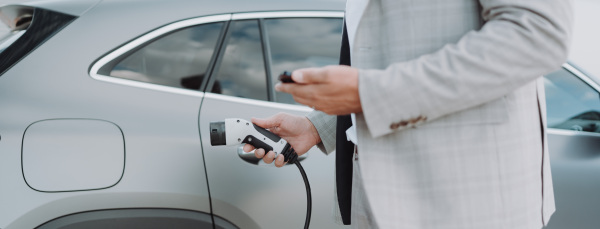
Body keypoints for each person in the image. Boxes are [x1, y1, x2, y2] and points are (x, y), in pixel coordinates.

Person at [243, 0, 573, 228]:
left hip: (463, 204)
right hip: (372, 198)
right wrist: (317, 128)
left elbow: (539, 31)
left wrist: (370, 93)